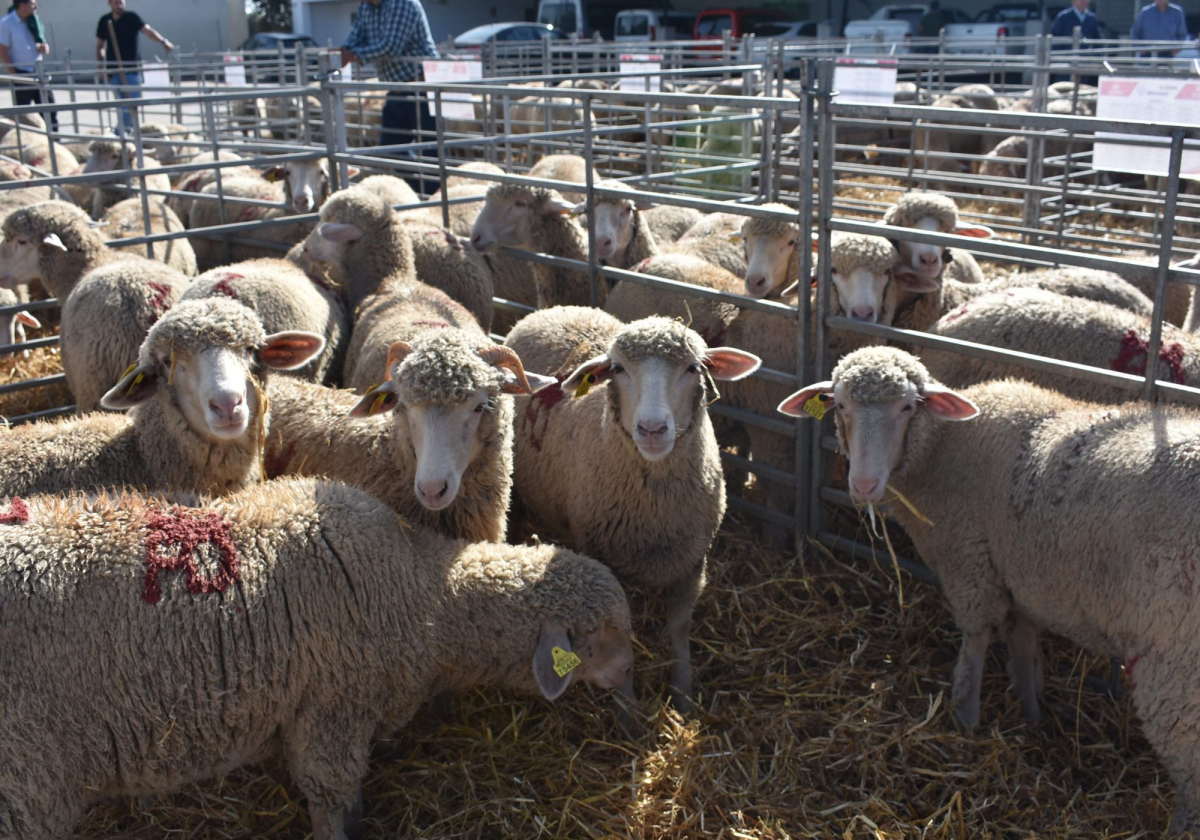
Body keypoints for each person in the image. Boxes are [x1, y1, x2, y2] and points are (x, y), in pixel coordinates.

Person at [339, 0, 439, 188]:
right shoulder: (366, 6)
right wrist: (343, 52)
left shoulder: (403, 3)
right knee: (391, 149)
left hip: (422, 86)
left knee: (430, 151)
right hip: (397, 89)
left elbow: (391, 47)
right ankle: (421, 192)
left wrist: (351, 55)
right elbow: (354, 39)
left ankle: (435, 198)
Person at [95, 0, 174, 129]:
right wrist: (101, 67)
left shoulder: (131, 17)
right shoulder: (105, 20)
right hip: (114, 71)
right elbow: (100, 46)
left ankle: (121, 132)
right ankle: (126, 132)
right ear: (110, 3)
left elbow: (147, 31)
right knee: (121, 104)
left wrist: (163, 42)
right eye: (116, 3)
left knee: (132, 103)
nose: (119, 5)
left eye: (121, 2)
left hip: (132, 69)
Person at [0, 0, 55, 128]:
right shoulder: (7, 23)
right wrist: (13, 74)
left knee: (49, 108)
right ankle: (24, 140)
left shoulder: (34, 21)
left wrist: (44, 47)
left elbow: (40, 40)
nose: (35, 6)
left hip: (39, 70)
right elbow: (2, 50)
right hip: (21, 72)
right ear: (22, 5)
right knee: (23, 113)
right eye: (32, 3)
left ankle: (54, 140)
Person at [1049, 0, 1101, 82]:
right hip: (1066, 61)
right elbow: (1054, 39)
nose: (1084, 2)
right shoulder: (1064, 17)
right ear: (1074, 1)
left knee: (1082, 87)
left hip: (1084, 62)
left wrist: (1094, 57)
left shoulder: (1091, 18)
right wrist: (1059, 57)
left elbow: (1097, 41)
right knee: (1063, 87)